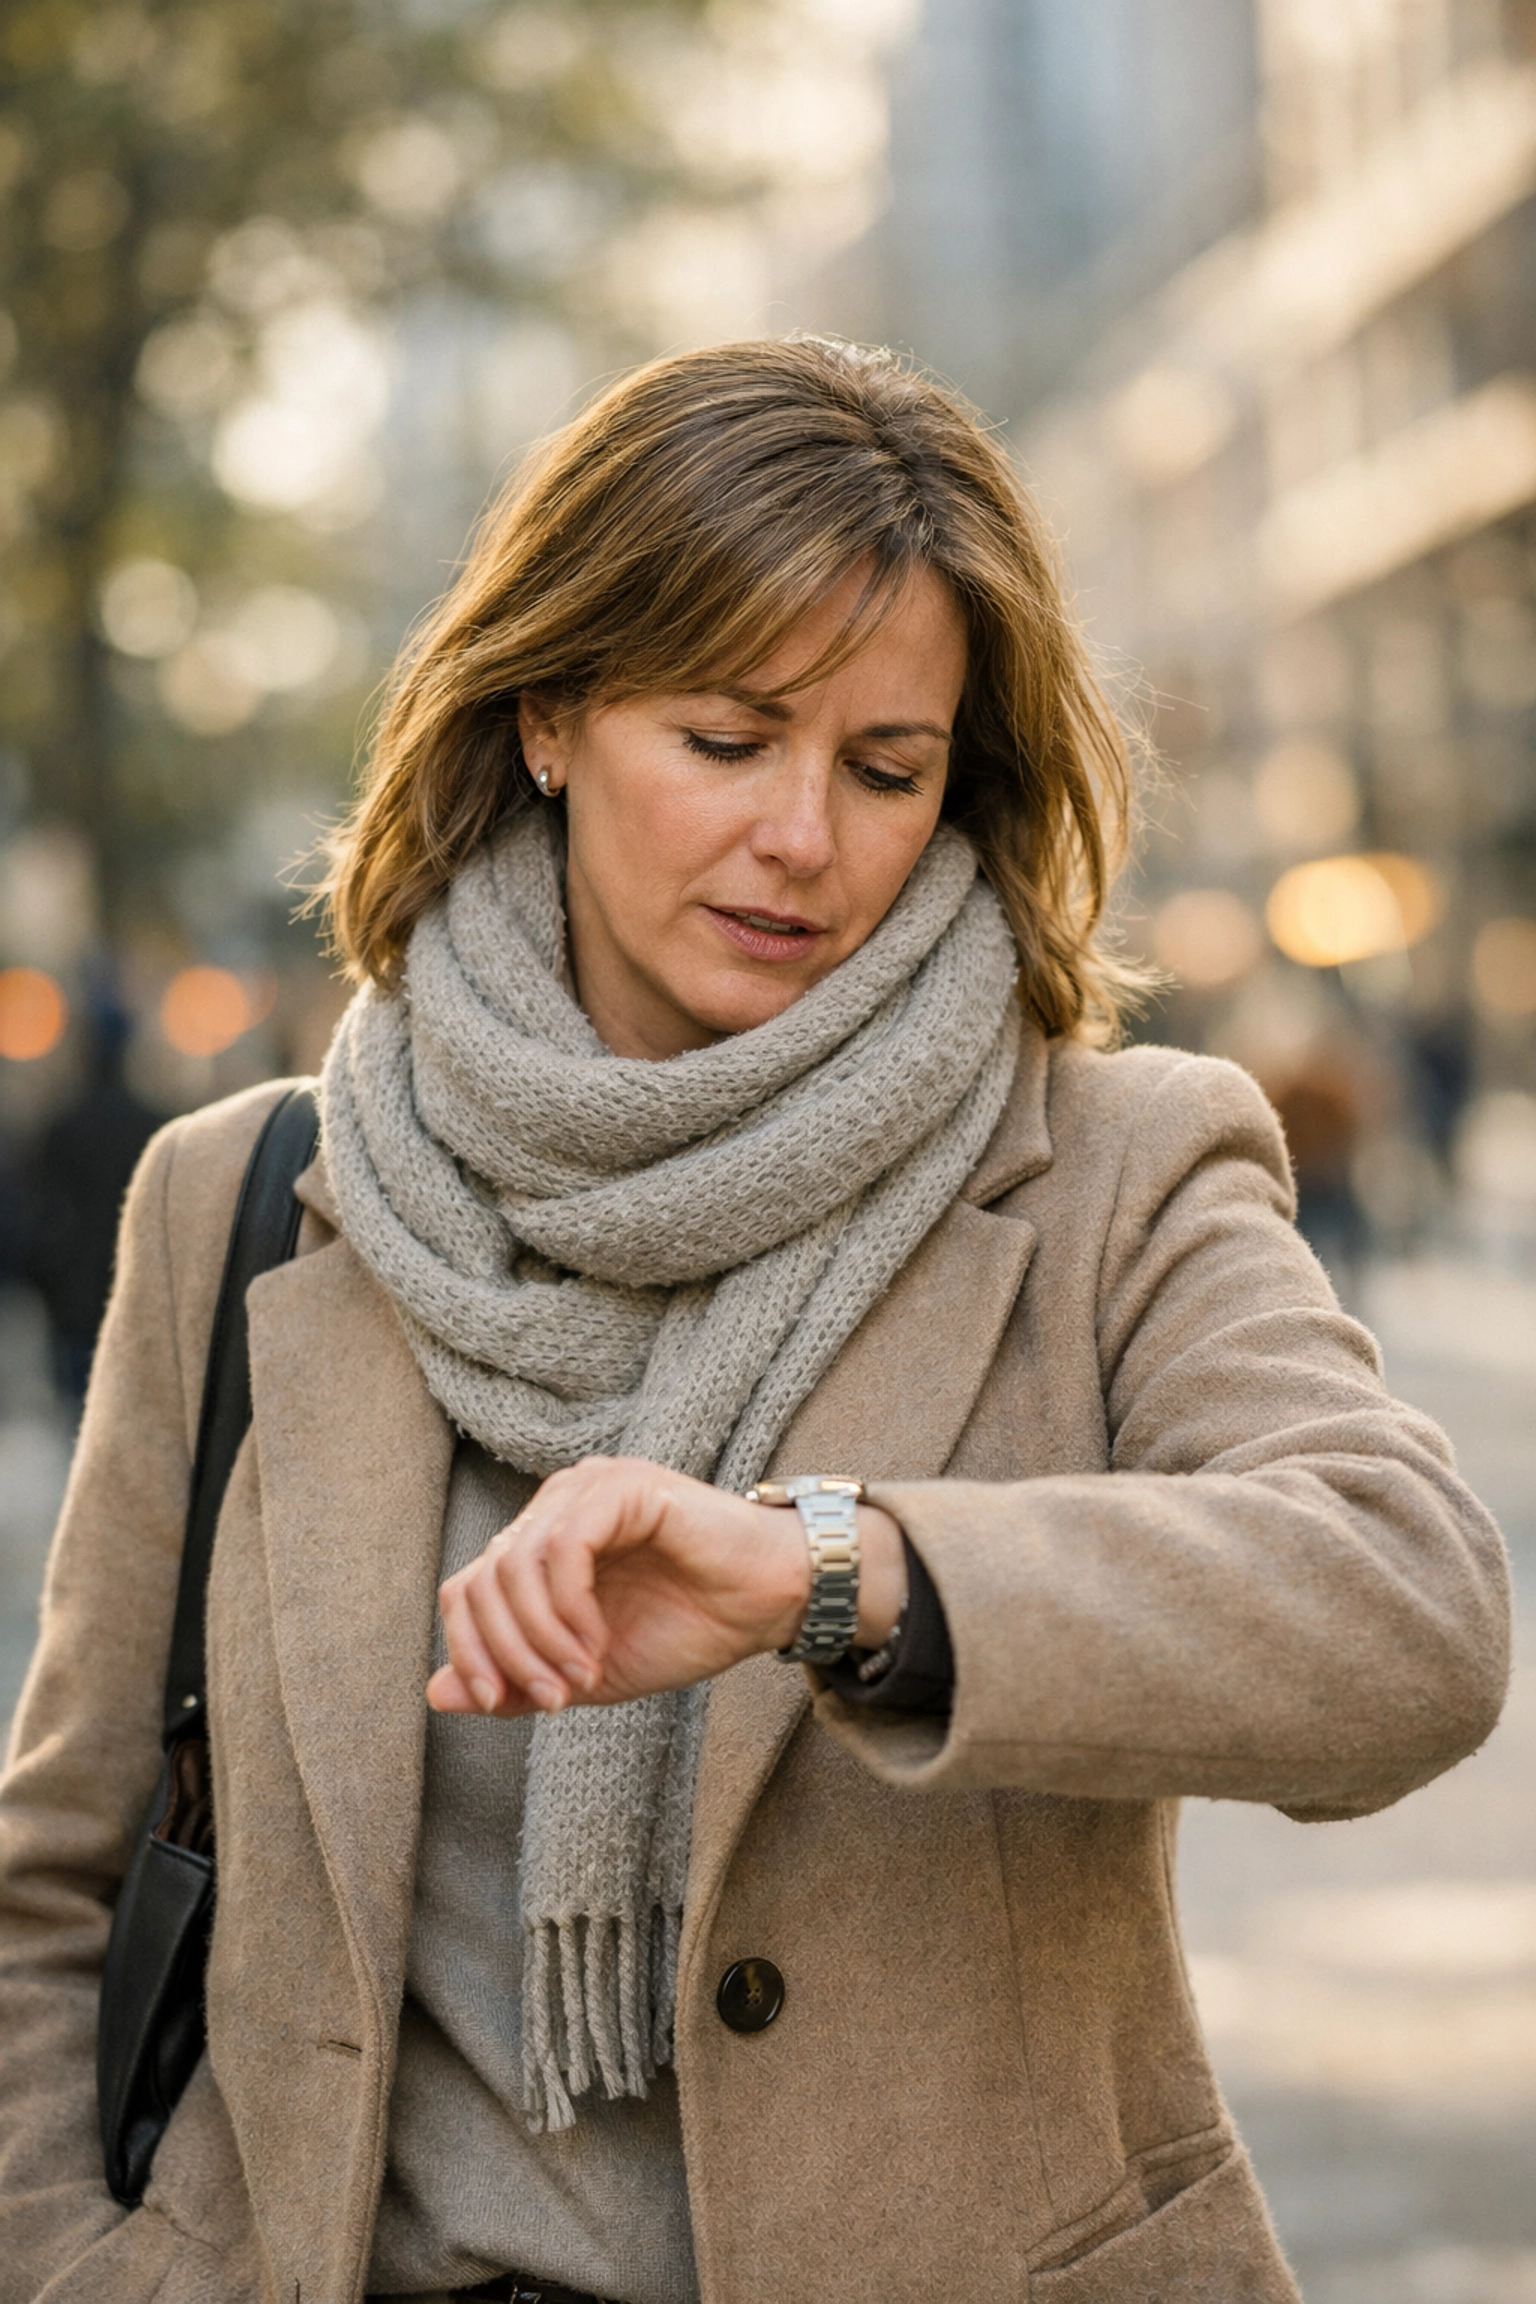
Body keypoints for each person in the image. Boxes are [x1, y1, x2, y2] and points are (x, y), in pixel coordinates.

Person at [0, 337, 1509, 2304]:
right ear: (546, 711)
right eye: (727, 740)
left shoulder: (1114, 1166)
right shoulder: (240, 1202)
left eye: (887, 769)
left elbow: (1410, 1615)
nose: (808, 836)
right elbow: (56, 1885)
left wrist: (836, 1573)